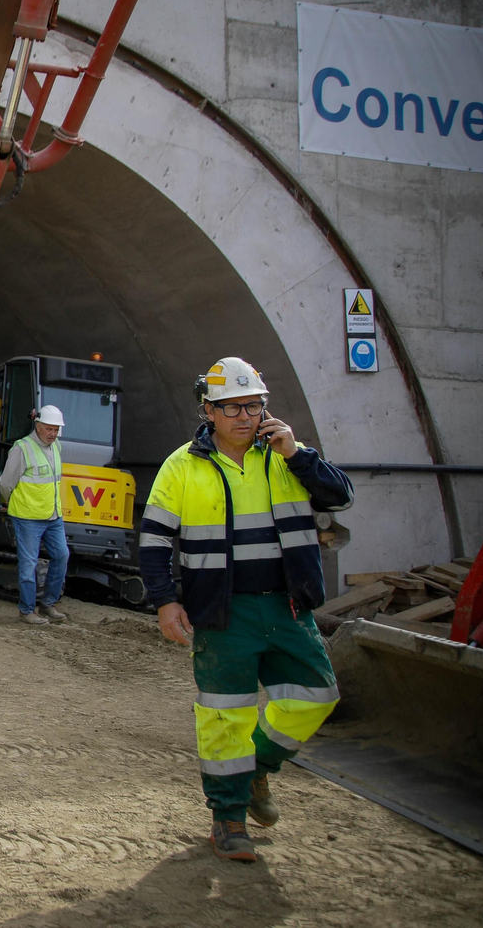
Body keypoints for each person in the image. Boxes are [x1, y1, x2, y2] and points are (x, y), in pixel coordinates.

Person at [138, 357, 354, 862]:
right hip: (222, 614)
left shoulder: (288, 455)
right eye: (232, 406)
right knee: (224, 717)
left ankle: (257, 768)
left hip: (287, 605)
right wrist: (166, 602)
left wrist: (298, 454)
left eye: (254, 405)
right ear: (208, 411)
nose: (245, 416)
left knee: (317, 695)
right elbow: (152, 541)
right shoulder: (182, 465)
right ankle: (229, 818)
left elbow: (340, 497)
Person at [0, 405, 70, 625]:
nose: (53, 433)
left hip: (53, 516)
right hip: (28, 517)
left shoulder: (56, 446)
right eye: (49, 429)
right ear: (37, 426)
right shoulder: (22, 449)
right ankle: (27, 610)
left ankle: (48, 604)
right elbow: (5, 483)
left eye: (56, 429)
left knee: (62, 555)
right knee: (29, 564)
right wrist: (10, 503)